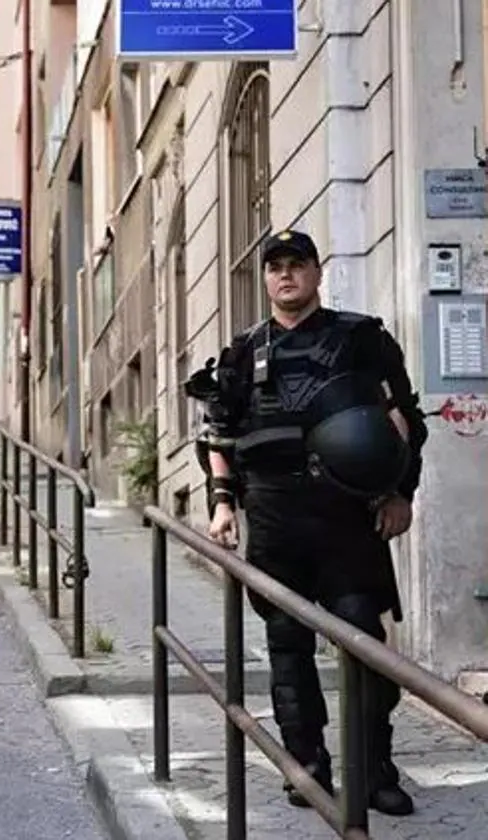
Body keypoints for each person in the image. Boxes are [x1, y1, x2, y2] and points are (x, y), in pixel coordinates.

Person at [187, 230, 427, 816]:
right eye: (275, 267)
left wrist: (399, 494)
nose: (286, 276)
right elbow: (218, 433)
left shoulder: (360, 339)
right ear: (266, 279)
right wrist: (222, 504)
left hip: (346, 516)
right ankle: (305, 767)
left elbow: (404, 420)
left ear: (318, 272)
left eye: (298, 265)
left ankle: (374, 770)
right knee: (287, 649)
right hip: (273, 516)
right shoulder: (244, 350)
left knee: (364, 643)